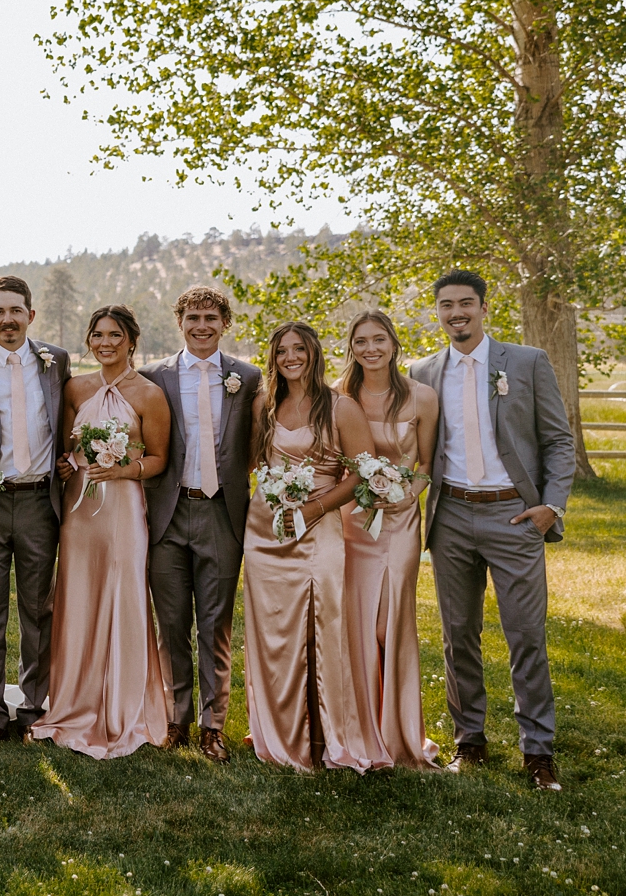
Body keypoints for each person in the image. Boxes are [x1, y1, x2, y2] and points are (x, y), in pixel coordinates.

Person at [409, 270, 575, 791]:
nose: (456, 313)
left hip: (514, 516)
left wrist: (550, 505)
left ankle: (538, 752)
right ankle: (470, 743)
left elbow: (559, 441)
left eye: (465, 304)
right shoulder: (423, 372)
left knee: (526, 635)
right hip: (452, 515)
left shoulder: (525, 362)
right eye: (446, 305)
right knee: (459, 636)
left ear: (483, 307)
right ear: (436, 312)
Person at [242, 320, 386, 773]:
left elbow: (362, 473)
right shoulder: (264, 403)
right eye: (282, 350)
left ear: (313, 353)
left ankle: (327, 733)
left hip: (318, 527)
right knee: (273, 630)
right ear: (273, 357)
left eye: (299, 349)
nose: (290, 357)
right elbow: (249, 462)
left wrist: (316, 507)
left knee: (321, 625)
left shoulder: (339, 407)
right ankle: (278, 730)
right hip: (266, 531)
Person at [32, 304, 172, 758]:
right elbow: (67, 444)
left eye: (115, 335)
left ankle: (123, 704)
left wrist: (125, 469)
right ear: (89, 340)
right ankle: (74, 699)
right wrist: (69, 462)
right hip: (79, 510)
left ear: (132, 340)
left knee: (122, 593)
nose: (105, 343)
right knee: (78, 597)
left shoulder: (149, 394)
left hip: (123, 509)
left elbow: (158, 459)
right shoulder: (75, 388)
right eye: (97, 334)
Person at [141, 286, 262, 761]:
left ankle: (214, 725)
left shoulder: (246, 378)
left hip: (221, 512)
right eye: (193, 317)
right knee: (170, 623)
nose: (202, 325)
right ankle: (176, 717)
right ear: (180, 322)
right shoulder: (156, 377)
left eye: (211, 317)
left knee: (215, 625)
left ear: (225, 323)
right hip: (168, 513)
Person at [0, 275, 69, 739]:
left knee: (37, 609)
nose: (8, 320)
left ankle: (31, 708)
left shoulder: (55, 362)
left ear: (30, 314)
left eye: (16, 310)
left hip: (39, 500)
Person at [337, 309, 441, 770]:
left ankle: (399, 729)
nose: (370, 349)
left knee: (390, 623)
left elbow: (426, 465)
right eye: (361, 341)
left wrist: (405, 497)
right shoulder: (339, 396)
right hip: (350, 521)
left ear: (394, 344)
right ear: (351, 348)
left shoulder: (422, 397)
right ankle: (355, 726)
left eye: (379, 339)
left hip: (399, 522)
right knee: (355, 621)